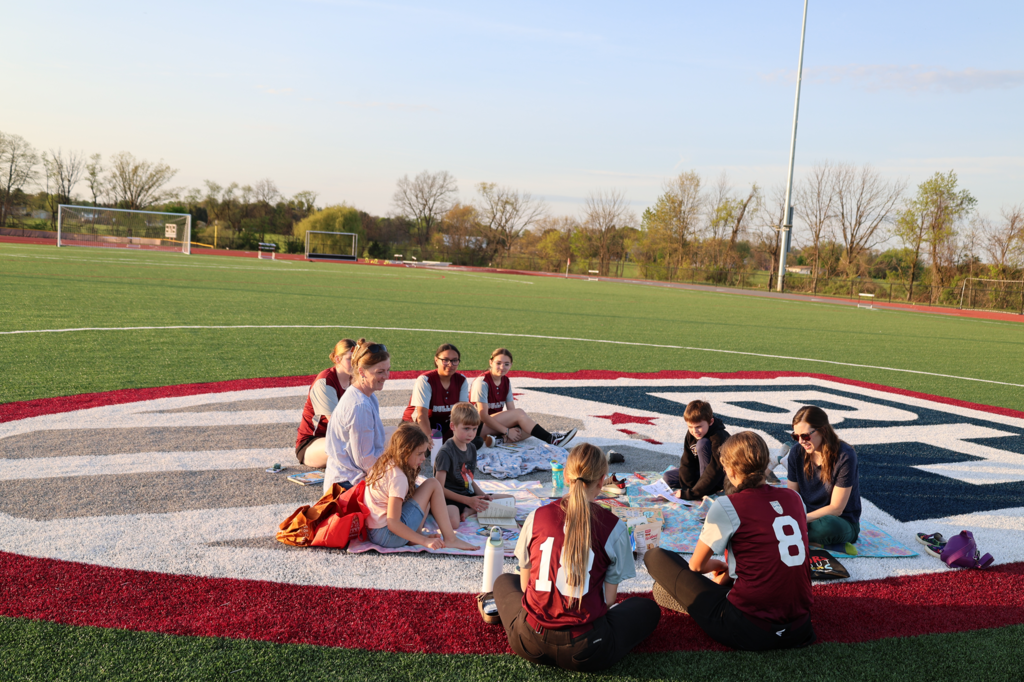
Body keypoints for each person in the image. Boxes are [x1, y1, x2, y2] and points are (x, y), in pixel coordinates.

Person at [493, 443, 660, 672]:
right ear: (602, 481)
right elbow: (609, 600)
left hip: (530, 639)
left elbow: (524, 586)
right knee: (647, 609)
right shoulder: (613, 527)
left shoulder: (537, 516)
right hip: (586, 648)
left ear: (565, 475)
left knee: (504, 581)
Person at [645, 431, 815, 651]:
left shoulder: (727, 505)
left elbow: (696, 566)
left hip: (750, 628)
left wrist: (718, 565)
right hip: (801, 626)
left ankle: (700, 602)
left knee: (655, 556)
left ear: (731, 470)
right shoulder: (794, 498)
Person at [363, 423, 477, 551]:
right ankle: (450, 539)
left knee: (424, 489)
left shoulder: (387, 462)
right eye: (420, 453)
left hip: (374, 533)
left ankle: (416, 536)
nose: (423, 458)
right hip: (388, 536)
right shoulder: (398, 477)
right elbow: (393, 523)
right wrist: (424, 541)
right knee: (433, 484)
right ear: (406, 452)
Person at [786, 405, 862, 550]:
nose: (801, 441)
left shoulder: (845, 456)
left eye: (805, 436)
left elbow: (836, 509)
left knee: (826, 526)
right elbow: (792, 497)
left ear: (823, 430)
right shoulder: (796, 452)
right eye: (795, 436)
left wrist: (799, 520)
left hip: (839, 521)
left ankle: (799, 536)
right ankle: (814, 541)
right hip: (806, 518)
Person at [470, 348, 577, 448]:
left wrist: (514, 428)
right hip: (476, 427)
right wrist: (507, 431)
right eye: (498, 363)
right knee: (521, 416)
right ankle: (552, 439)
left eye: (506, 364)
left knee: (529, 426)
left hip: (493, 426)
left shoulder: (506, 381)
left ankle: (499, 440)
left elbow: (512, 410)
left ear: (511, 365)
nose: (502, 367)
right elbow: (482, 416)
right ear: (491, 362)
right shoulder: (482, 382)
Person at [323, 339, 391, 493]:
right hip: (348, 486)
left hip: (351, 478)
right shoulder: (359, 405)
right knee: (420, 494)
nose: (386, 376)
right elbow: (365, 461)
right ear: (361, 371)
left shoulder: (367, 396)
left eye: (388, 370)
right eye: (380, 372)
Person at [434, 403, 514, 524]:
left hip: (468, 495)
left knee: (510, 500)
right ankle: (469, 509)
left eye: (474, 429)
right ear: (453, 426)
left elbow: (468, 478)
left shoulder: (471, 448)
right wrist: (467, 500)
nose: (471, 433)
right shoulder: (445, 452)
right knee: (453, 522)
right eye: (466, 428)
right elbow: (438, 488)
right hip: (449, 499)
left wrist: (483, 496)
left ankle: (469, 510)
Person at [295, 338, 356, 468]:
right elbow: (338, 426)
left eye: (357, 359)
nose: (355, 364)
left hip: (339, 440)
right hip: (312, 443)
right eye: (350, 359)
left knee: (390, 436)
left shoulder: (355, 380)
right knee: (351, 447)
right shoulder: (325, 382)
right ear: (338, 359)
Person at [662, 400, 732, 500]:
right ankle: (700, 487)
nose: (694, 431)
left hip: (719, 476)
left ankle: (705, 489)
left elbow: (715, 469)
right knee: (668, 478)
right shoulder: (691, 434)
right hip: (702, 472)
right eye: (690, 427)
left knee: (702, 444)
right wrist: (686, 488)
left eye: (698, 427)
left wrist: (693, 494)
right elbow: (687, 462)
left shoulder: (719, 437)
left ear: (711, 422)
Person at [401, 343, 469, 441]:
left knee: (474, 439)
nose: (450, 364)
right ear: (436, 360)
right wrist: (430, 440)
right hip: (416, 425)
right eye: (445, 360)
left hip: (443, 424)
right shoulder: (425, 380)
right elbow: (422, 415)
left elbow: (462, 414)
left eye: (454, 360)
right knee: (422, 449)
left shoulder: (461, 380)